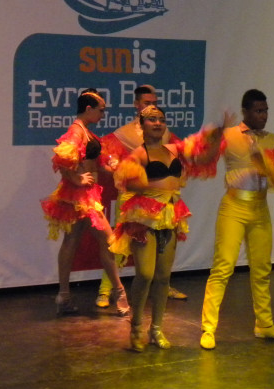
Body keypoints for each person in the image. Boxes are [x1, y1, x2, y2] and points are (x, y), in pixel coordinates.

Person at [110, 105, 226, 351]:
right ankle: (136, 326)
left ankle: (156, 329)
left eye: (161, 119)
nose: (158, 123)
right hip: (144, 218)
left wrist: (216, 135)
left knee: (163, 277)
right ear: (141, 125)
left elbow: (204, 158)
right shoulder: (139, 155)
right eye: (152, 119)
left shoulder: (174, 149)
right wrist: (145, 184)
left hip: (171, 215)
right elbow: (127, 182)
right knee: (145, 274)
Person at [200, 89, 274, 350]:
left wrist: (272, 168)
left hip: (259, 208)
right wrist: (216, 133)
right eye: (258, 111)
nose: (263, 116)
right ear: (245, 111)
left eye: (265, 110)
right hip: (233, 206)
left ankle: (264, 324)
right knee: (223, 267)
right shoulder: (230, 135)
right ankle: (208, 328)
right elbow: (205, 158)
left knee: (262, 268)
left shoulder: (272, 140)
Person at [40, 88, 130, 316]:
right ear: (88, 109)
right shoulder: (76, 131)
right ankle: (119, 292)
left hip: (83, 195)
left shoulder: (85, 131)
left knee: (71, 241)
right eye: (101, 110)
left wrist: (113, 168)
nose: (103, 114)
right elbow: (62, 157)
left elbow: (93, 162)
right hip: (82, 196)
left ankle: (63, 295)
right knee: (109, 241)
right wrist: (76, 178)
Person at [97, 85, 188, 309]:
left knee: (163, 245)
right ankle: (106, 290)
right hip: (132, 198)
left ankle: (163, 285)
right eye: (147, 103)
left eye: (155, 103)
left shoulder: (163, 131)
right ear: (136, 105)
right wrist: (119, 169)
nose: (152, 107)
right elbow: (106, 158)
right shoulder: (124, 134)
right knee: (120, 243)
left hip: (161, 199)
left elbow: (179, 154)